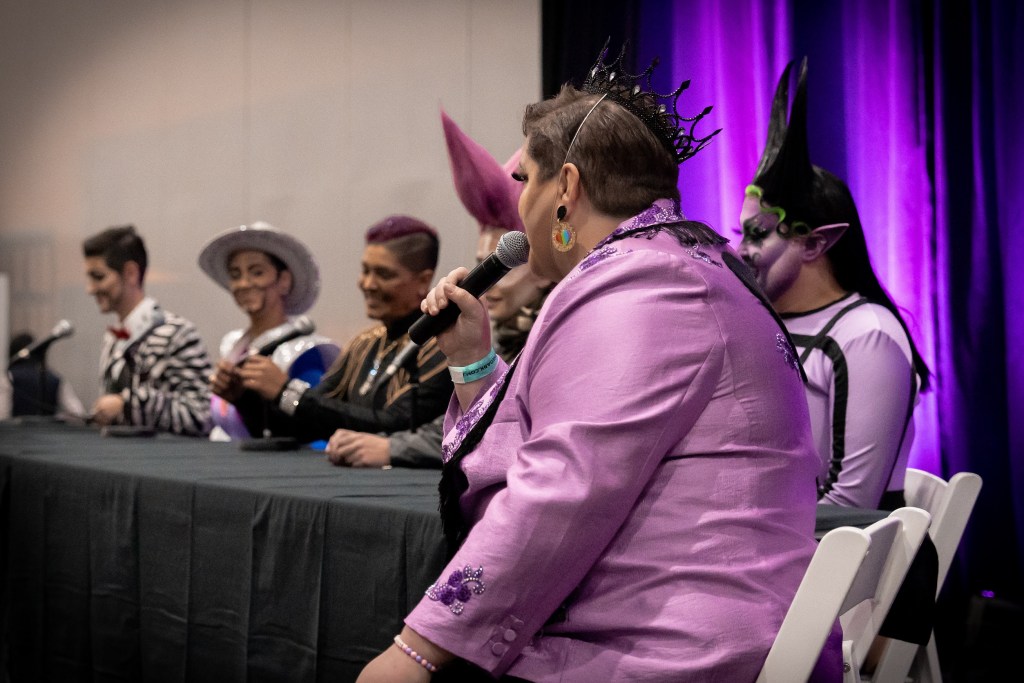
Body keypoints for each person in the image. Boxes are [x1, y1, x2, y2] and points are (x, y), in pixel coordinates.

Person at [358, 46, 836, 682]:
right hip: (705, 621)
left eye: (524, 180)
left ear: (567, 187)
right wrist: (473, 361)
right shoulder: (677, 265)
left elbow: (562, 493)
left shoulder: (643, 288)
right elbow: (556, 453)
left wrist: (419, 648)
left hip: (676, 650)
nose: (518, 204)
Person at [737, 59, 930, 511]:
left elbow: (851, 505)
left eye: (758, 234)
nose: (740, 250)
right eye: (740, 233)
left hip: (847, 552)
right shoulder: (763, 324)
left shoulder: (867, 336)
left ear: (814, 243)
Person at [325, 111, 551, 469]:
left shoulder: (550, 336)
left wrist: (392, 448)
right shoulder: (490, 337)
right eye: (483, 263)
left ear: (540, 268)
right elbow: (470, 421)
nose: (489, 283)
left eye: (504, 266)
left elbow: (518, 432)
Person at [233, 215, 452, 444]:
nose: (368, 284)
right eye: (365, 271)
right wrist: (244, 398)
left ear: (423, 281)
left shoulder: (442, 347)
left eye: (384, 274)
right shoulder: (364, 344)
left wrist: (287, 391)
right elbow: (307, 425)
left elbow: (398, 427)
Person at [198, 221, 340, 443]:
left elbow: (315, 428)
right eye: (235, 274)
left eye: (257, 272)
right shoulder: (231, 345)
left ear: (284, 281)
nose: (244, 283)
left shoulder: (306, 352)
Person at [82, 225, 213, 436]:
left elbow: (202, 414)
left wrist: (127, 405)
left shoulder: (177, 333)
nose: (90, 289)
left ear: (131, 273)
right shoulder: (112, 338)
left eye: (98, 277)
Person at [4, 332, 85, 419]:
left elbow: (2, 414)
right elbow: (78, 413)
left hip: (13, 427)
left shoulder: (8, 377)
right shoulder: (55, 379)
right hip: (48, 428)